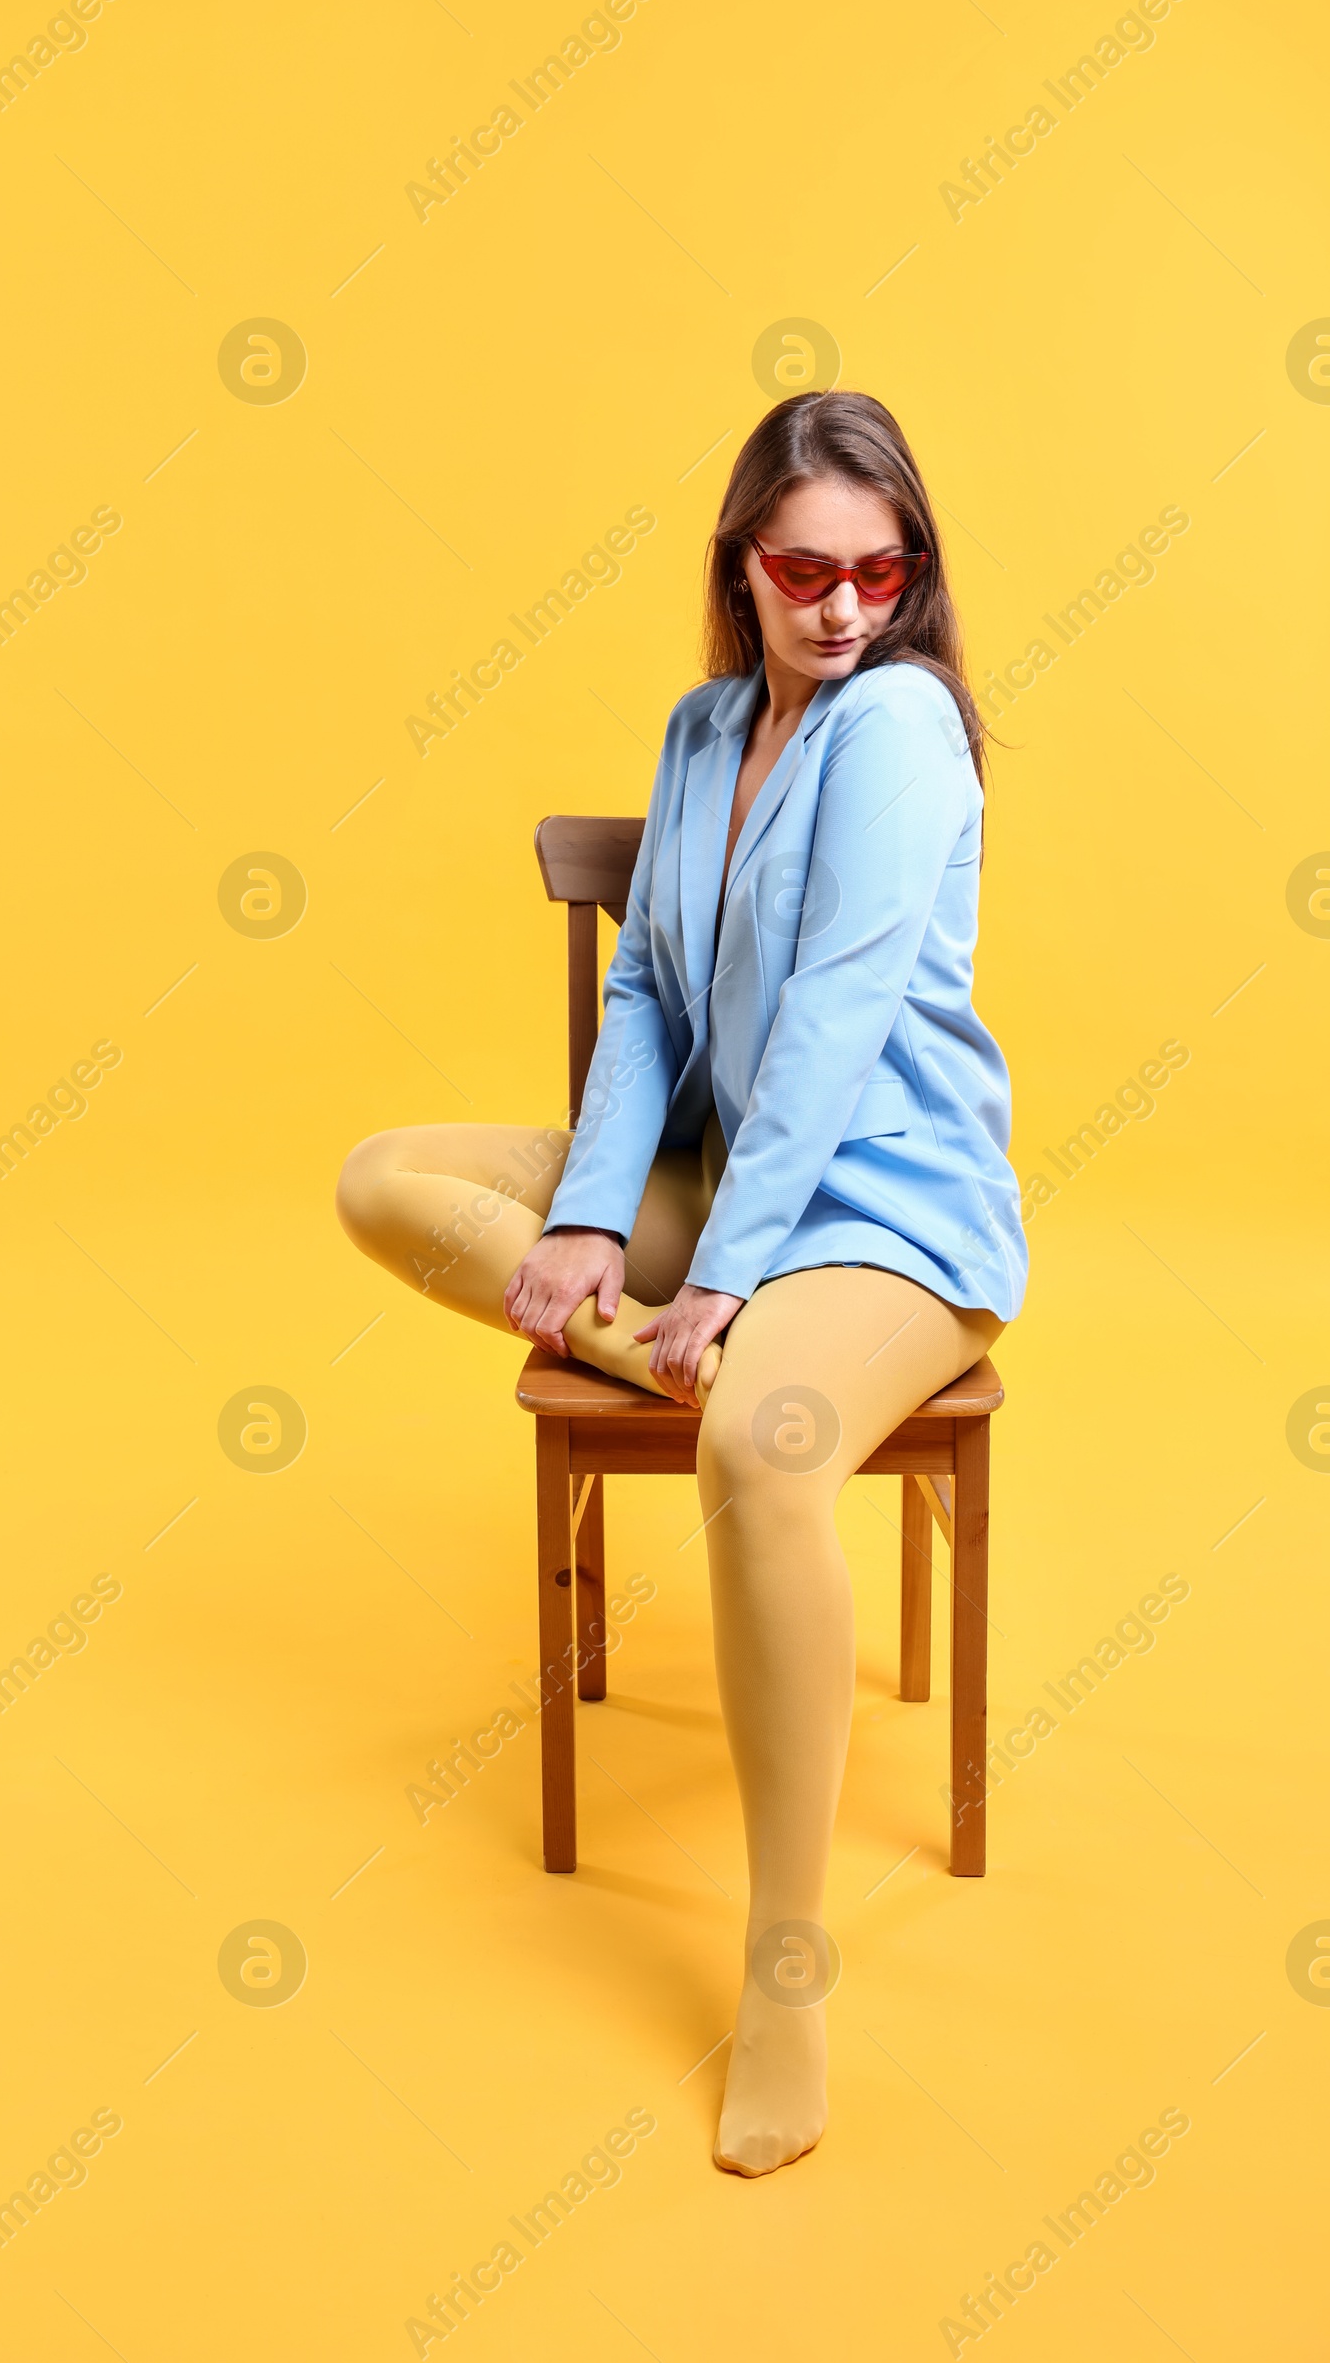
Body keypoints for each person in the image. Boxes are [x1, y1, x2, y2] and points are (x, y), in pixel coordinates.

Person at [336, 389, 1027, 2175]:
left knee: (762, 1454)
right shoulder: (706, 728)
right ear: (741, 565)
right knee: (387, 1178)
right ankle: (649, 1343)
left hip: (885, 1218)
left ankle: (782, 1970)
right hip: (725, 1188)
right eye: (806, 567)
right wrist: (582, 1217)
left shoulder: (903, 731)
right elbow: (645, 991)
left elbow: (835, 1020)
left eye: (886, 571)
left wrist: (719, 1276)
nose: (847, 606)